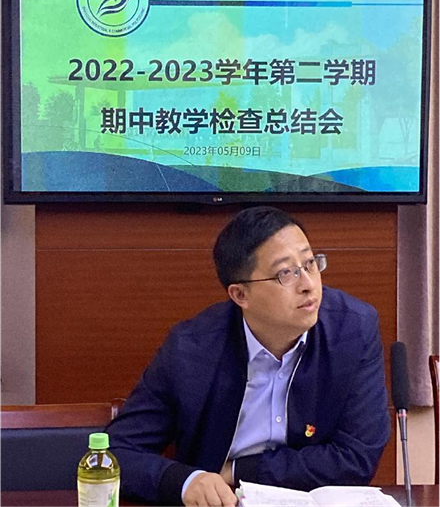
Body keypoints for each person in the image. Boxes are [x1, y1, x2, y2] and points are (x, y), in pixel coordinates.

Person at [106, 206, 390, 507]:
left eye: (310, 263)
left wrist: (239, 471)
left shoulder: (353, 329)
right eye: (286, 273)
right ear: (240, 295)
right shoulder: (191, 349)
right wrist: (185, 481)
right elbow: (115, 453)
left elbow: (358, 457)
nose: (308, 284)